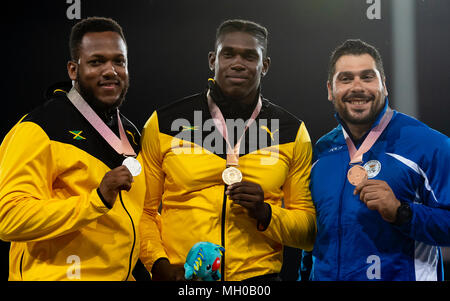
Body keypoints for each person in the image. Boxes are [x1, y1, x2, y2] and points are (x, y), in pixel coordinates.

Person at [139, 19, 316, 281]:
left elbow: (309, 233)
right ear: (213, 60)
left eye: (250, 56)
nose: (238, 63)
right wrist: (158, 265)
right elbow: (144, 212)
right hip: (186, 279)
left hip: (258, 282)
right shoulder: (163, 122)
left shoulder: (292, 132)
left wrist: (265, 213)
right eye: (228, 53)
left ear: (264, 65)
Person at [0, 17, 147, 280]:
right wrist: (96, 200)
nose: (110, 70)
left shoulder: (132, 134)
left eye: (119, 61)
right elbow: (8, 218)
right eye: (96, 62)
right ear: (72, 69)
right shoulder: (39, 128)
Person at [301, 39, 450, 281]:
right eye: (346, 78)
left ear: (384, 85)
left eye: (367, 77)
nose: (357, 87)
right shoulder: (322, 150)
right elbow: (314, 240)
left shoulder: (430, 145)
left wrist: (403, 213)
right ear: (330, 89)